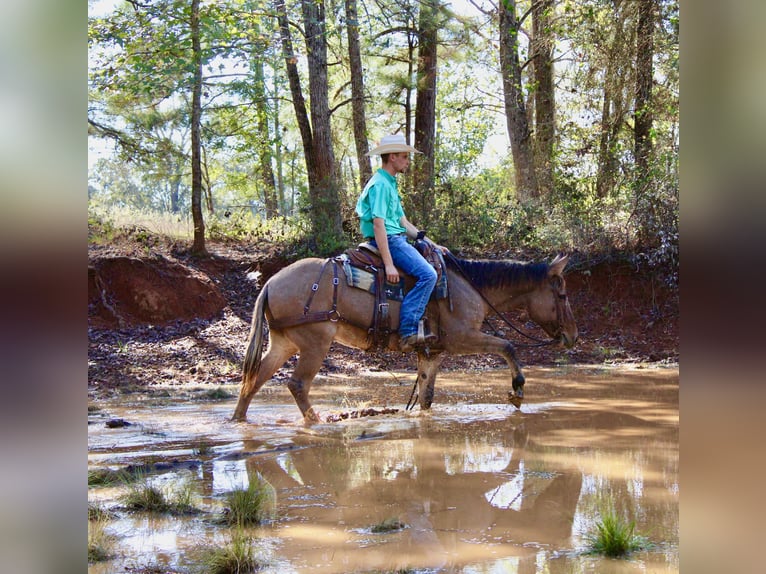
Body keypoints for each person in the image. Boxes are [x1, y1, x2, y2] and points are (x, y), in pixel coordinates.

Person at [355, 134, 447, 352]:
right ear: (393, 157)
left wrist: (432, 244)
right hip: (390, 241)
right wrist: (388, 264)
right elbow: (379, 225)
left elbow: (403, 222)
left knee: (432, 261)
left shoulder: (389, 182)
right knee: (429, 275)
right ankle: (408, 331)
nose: (408, 161)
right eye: (405, 157)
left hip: (397, 237)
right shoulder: (380, 185)